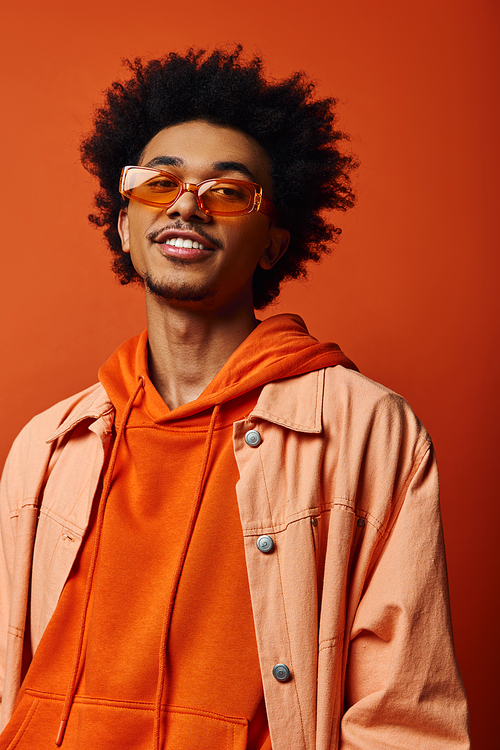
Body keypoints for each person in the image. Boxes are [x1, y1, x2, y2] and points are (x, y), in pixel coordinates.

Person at [0, 47, 469, 750]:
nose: (187, 203)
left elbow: (407, 720)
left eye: (227, 191)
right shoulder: (48, 444)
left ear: (276, 241)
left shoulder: (367, 431)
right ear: (124, 224)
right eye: (159, 183)